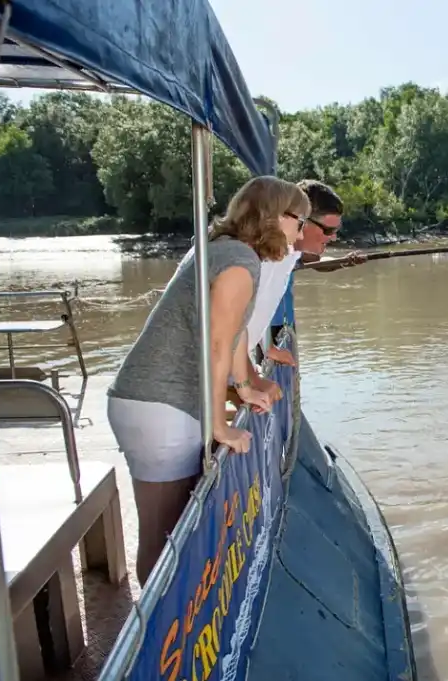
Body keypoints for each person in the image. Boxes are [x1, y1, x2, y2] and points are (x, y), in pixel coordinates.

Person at [106, 175, 311, 586]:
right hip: (161, 405)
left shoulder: (229, 251)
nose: (301, 233)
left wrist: (247, 383)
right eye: (299, 220)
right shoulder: (239, 262)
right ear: (273, 215)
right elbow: (218, 344)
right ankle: (159, 642)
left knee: (172, 527)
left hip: (157, 403)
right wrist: (220, 425)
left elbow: (233, 336)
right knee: (165, 537)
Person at [265, 179, 366, 364]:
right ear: (301, 220)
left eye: (336, 230)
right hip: (264, 329)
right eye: (328, 230)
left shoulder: (292, 251)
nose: (334, 237)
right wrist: (246, 381)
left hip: (280, 325)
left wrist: (345, 262)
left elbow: (317, 262)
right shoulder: (266, 255)